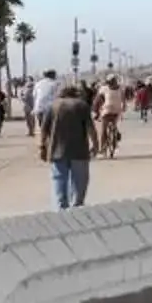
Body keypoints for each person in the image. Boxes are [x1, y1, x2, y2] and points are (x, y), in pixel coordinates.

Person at [44, 76, 94, 209]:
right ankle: (76, 208)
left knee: (59, 180)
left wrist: (42, 147)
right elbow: (90, 128)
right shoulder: (82, 105)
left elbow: (43, 130)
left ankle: (61, 209)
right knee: (79, 184)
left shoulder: (53, 106)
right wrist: (96, 145)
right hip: (80, 152)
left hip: (57, 151)